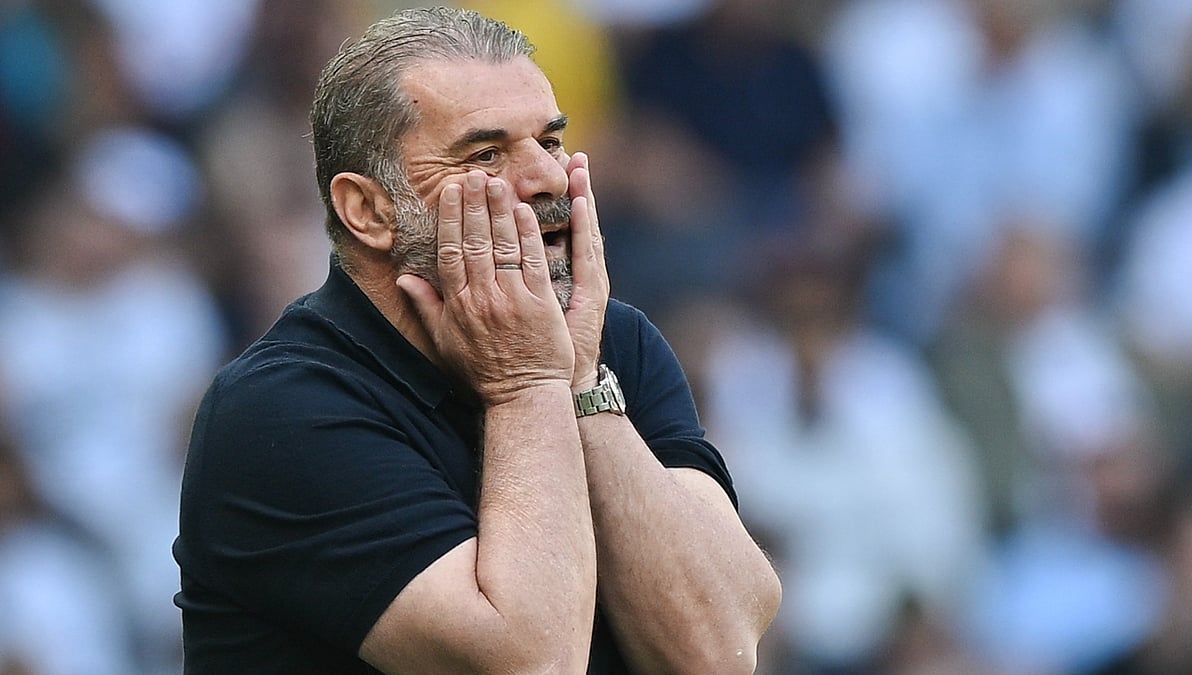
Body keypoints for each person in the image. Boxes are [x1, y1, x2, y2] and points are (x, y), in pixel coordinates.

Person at [173, 6, 781, 674]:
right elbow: (532, 662)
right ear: (369, 210)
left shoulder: (614, 343)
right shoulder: (281, 406)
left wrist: (579, 382)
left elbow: (718, 652)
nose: (546, 178)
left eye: (549, 142)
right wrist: (526, 385)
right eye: (486, 154)